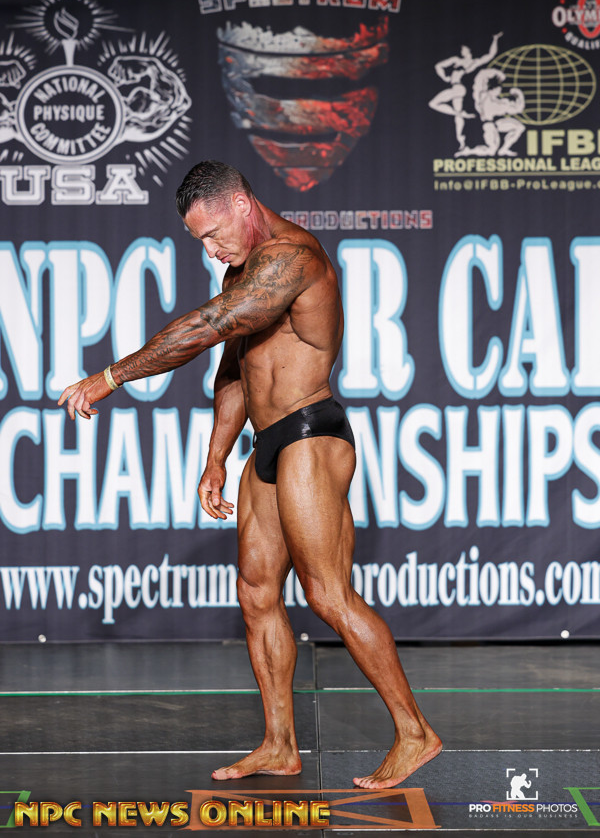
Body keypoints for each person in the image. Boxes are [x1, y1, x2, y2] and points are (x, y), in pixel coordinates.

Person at [58, 160, 441, 789]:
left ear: (241, 203)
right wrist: (216, 457)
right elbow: (234, 369)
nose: (210, 251)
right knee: (257, 594)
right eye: (200, 242)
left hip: (311, 433)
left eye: (213, 234)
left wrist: (111, 376)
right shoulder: (242, 271)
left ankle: (415, 732)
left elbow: (209, 327)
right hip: (267, 443)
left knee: (327, 594)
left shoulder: (293, 259)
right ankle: (279, 744)